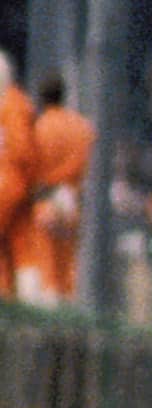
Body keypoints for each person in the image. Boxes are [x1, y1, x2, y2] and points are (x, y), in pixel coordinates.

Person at [15, 75, 96, 305]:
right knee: (68, 268)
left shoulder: (39, 128)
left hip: (45, 202)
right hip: (71, 201)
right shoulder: (82, 127)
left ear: (41, 98)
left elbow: (30, 165)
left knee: (47, 270)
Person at [0, 52, 39, 301]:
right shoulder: (14, 104)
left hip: (8, 181)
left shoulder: (12, 105)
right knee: (19, 246)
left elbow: (22, 151)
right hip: (15, 182)